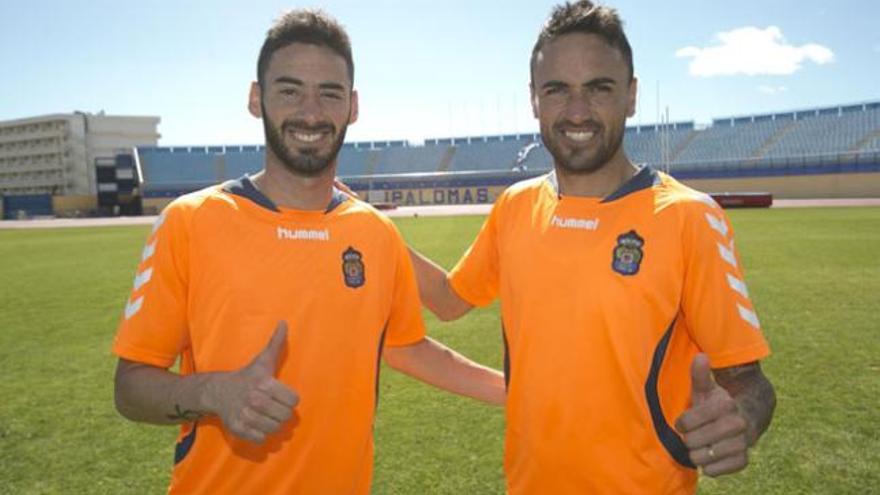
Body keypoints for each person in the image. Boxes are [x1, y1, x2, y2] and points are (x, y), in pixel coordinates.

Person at [112, 9, 504, 494]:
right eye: (290, 90)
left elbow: (409, 349)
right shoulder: (190, 221)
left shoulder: (374, 233)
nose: (311, 113)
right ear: (257, 99)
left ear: (353, 106)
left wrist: (515, 390)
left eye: (330, 93)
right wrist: (213, 392)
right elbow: (130, 386)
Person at [409, 1, 776, 493]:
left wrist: (743, 419)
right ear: (535, 100)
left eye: (598, 88)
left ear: (631, 95)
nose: (577, 111)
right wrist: (366, 226)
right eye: (557, 90)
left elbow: (749, 383)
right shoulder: (516, 206)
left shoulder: (689, 217)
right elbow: (449, 300)